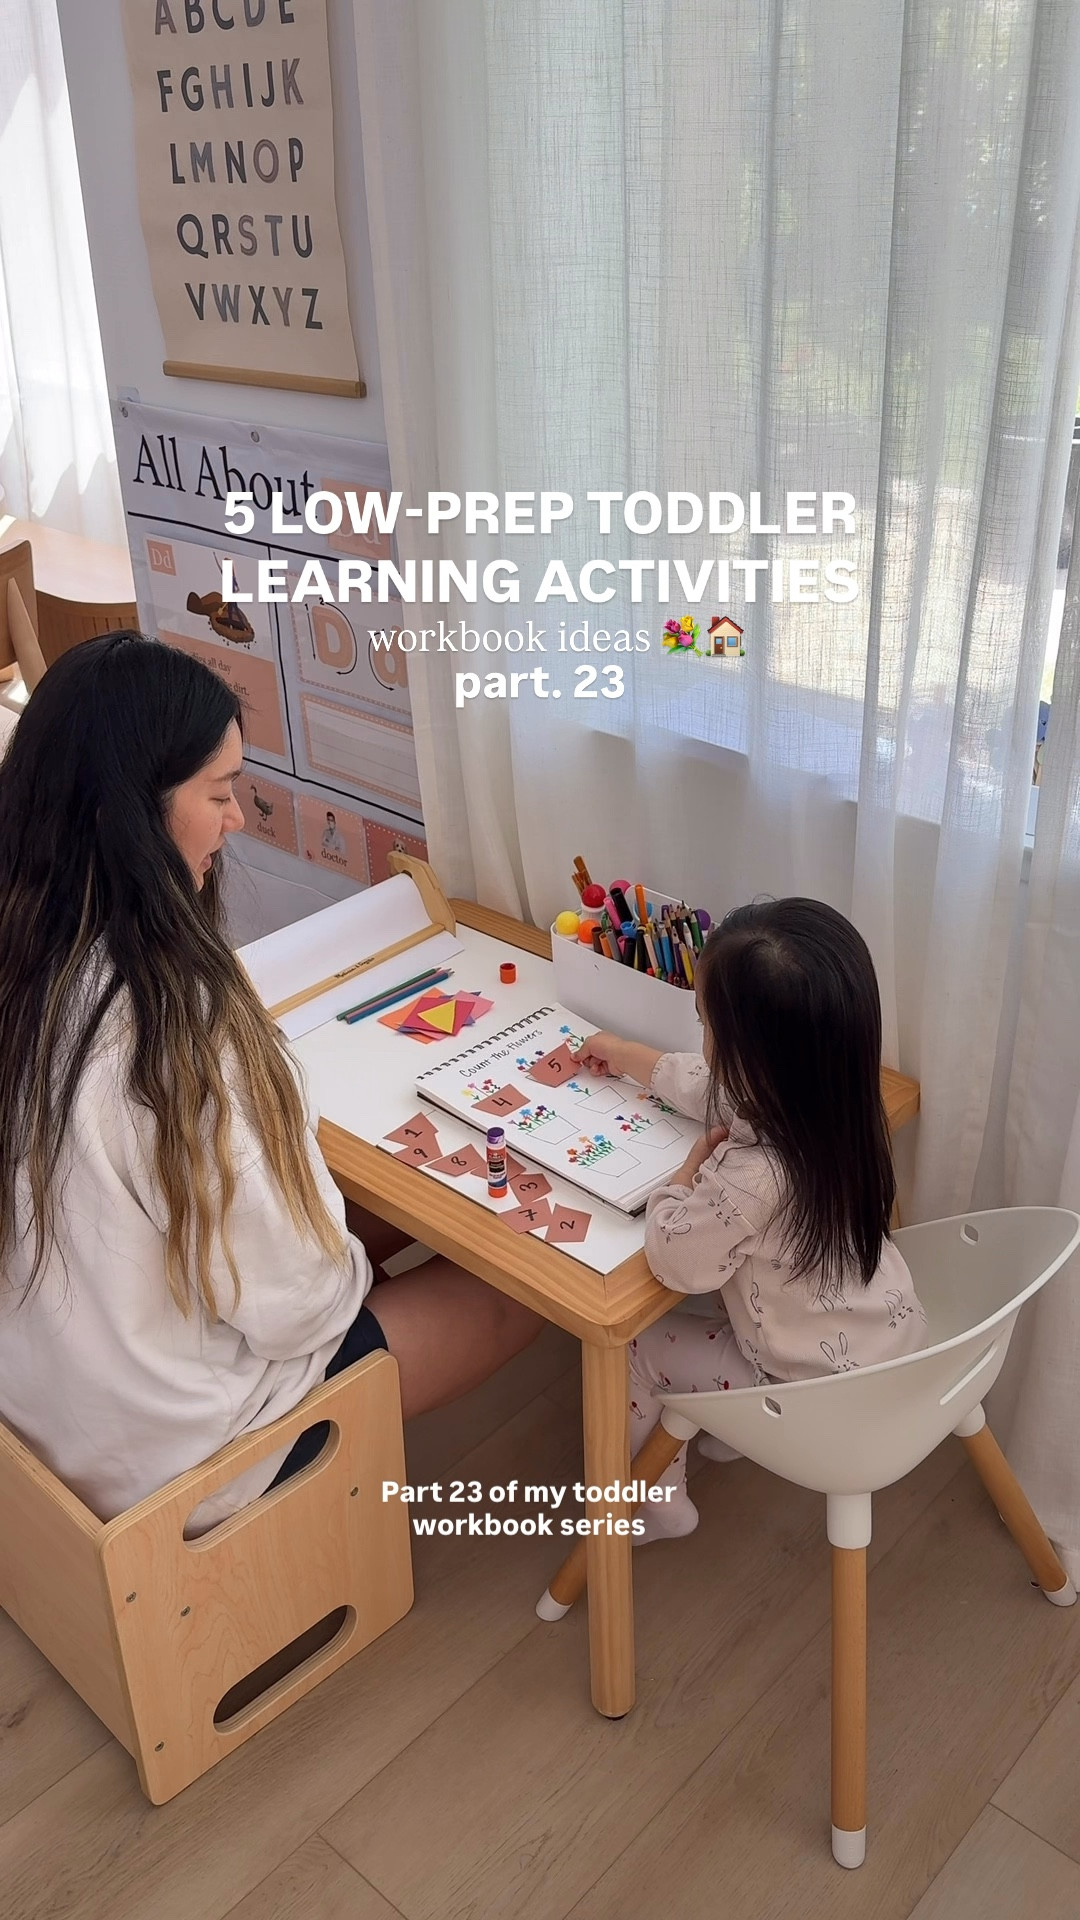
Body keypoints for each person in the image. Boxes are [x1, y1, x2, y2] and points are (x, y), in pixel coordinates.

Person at [0, 633, 540, 1534]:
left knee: (362, 1207)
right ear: (130, 813)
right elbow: (299, 1312)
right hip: (183, 1456)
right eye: (218, 794)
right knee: (519, 1274)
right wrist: (350, 1260)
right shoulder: (171, 1027)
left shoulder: (29, 951)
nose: (239, 819)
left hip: (49, 1398)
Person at [572, 899, 928, 1541]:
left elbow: (677, 1261)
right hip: (898, 1349)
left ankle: (659, 1504)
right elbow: (713, 1087)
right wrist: (628, 1055)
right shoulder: (838, 1105)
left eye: (708, 1026)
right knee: (753, 1287)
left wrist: (679, 1182)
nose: (704, 1043)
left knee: (632, 1347)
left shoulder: (753, 1177)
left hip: (811, 1403)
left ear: (753, 1057)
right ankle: (730, 1427)